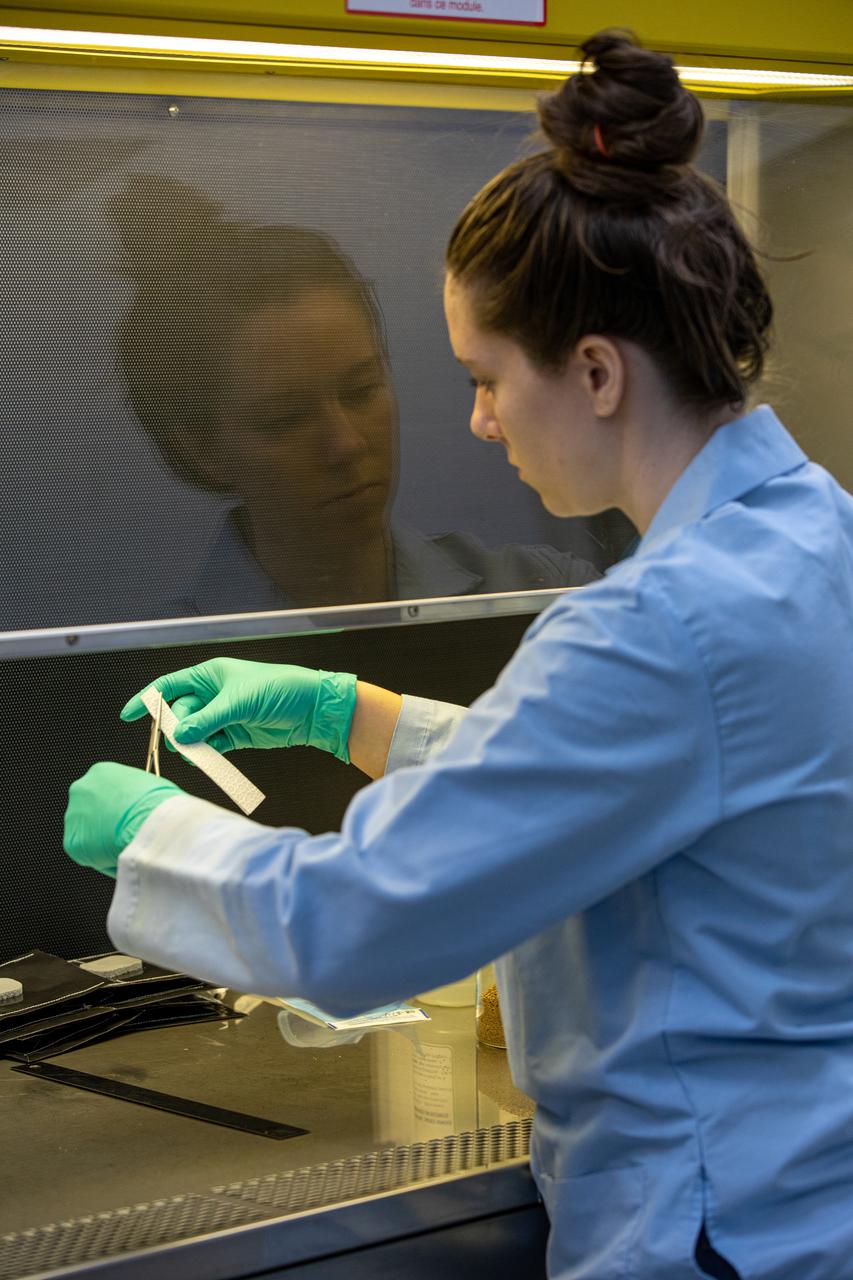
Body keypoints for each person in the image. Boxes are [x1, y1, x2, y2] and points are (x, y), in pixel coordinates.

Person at [64, 30, 853, 1280]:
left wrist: (151, 832)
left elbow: (352, 923)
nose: (479, 421)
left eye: (484, 377)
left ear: (594, 371)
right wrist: (352, 712)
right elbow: (640, 778)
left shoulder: (652, 626)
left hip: (716, 1232)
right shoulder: (814, 537)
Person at [110, 178, 600, 610]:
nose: (345, 445)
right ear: (204, 449)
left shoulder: (545, 595)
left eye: (362, 390)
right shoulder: (157, 662)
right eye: (287, 419)